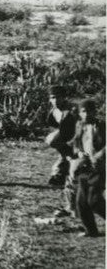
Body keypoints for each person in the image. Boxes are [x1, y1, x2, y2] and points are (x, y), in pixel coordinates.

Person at [70, 98, 105, 237]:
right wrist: (79, 153)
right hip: (84, 166)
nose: (86, 114)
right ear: (80, 113)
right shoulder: (80, 125)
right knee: (81, 202)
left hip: (99, 166)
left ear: (95, 111)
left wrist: (99, 155)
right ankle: (91, 231)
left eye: (90, 111)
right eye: (83, 111)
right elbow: (76, 144)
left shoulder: (102, 125)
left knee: (94, 201)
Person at [47, 86, 79, 189]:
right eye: (53, 97)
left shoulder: (72, 110)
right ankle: (61, 172)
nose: (55, 100)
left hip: (79, 137)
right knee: (52, 140)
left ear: (64, 97)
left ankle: (62, 172)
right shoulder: (54, 111)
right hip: (67, 137)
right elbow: (57, 127)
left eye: (58, 97)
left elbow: (81, 128)